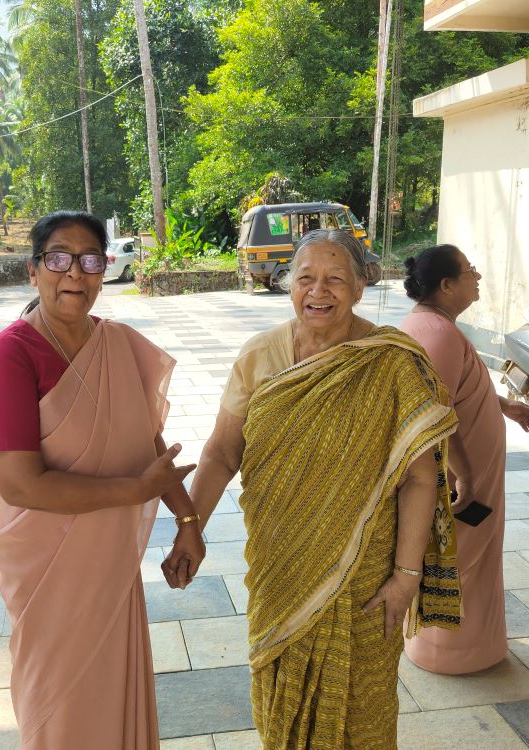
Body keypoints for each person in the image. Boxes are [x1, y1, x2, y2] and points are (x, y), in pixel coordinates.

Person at [179, 229, 462, 748]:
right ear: (288, 286)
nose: (319, 290)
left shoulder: (393, 362)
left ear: (360, 286)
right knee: (282, 695)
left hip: (367, 577)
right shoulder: (260, 355)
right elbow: (222, 453)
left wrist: (405, 577)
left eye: (336, 278)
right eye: (305, 277)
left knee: (365, 707)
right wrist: (188, 526)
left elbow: (420, 479)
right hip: (280, 562)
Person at [0, 211, 204, 750]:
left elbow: (148, 443)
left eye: (90, 259)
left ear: (105, 269)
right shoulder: (9, 357)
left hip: (110, 567)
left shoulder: (118, 344)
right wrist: (135, 492)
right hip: (50, 575)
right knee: (59, 707)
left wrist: (187, 519)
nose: (74, 272)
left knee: (112, 697)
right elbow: (21, 486)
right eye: (58, 258)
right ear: (33, 271)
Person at [399, 245, 529, 674]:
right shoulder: (437, 332)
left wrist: (503, 406)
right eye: (469, 271)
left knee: (468, 557)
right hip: (459, 479)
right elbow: (434, 412)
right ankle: (454, 654)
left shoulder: (430, 325)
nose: (477, 277)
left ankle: (460, 647)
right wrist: (463, 474)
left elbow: (452, 389)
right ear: (447, 285)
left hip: (467, 471)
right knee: (461, 561)